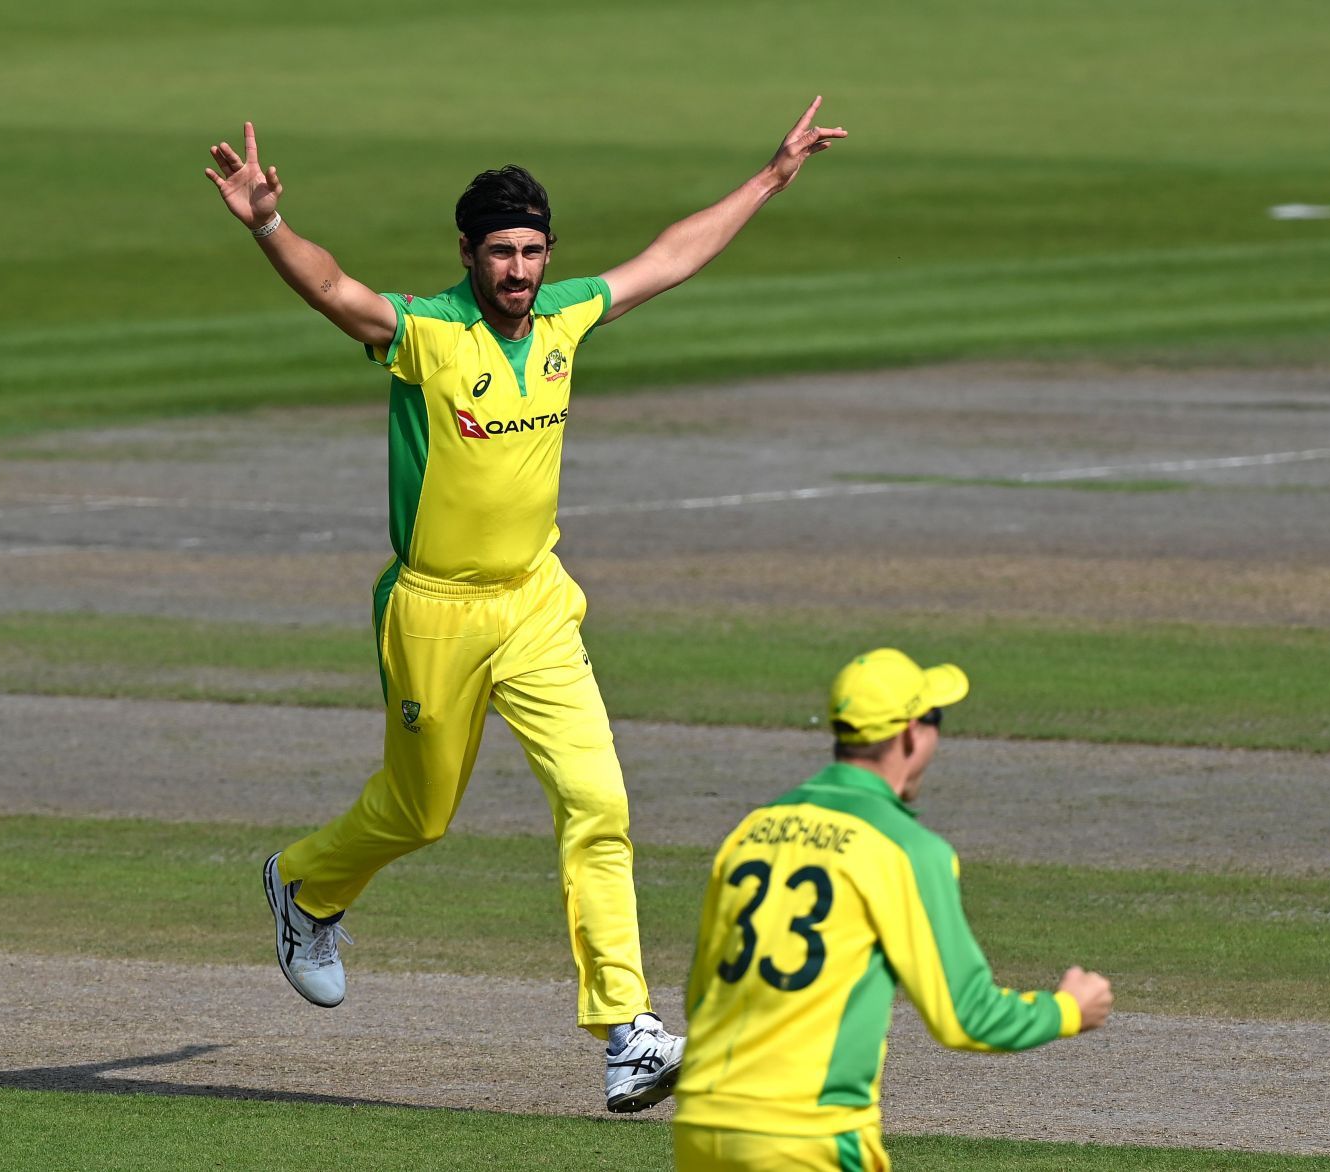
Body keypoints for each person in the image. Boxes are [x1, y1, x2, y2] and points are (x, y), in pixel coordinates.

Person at [203, 98, 848, 1113]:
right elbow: (337, 291)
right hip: (434, 612)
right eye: (500, 251)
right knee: (420, 811)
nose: (518, 269)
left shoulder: (564, 317)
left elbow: (668, 258)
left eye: (533, 251)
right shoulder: (426, 334)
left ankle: (627, 1029)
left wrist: (770, 177)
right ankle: (306, 885)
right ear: (467, 252)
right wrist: (269, 225)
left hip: (538, 602)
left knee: (599, 804)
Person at [672, 649, 1114, 1169]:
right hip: (805, 1136)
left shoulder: (751, 831)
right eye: (936, 721)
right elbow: (965, 1018)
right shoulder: (904, 849)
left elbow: (701, 996)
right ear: (910, 733)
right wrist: (1066, 1010)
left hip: (701, 1123)